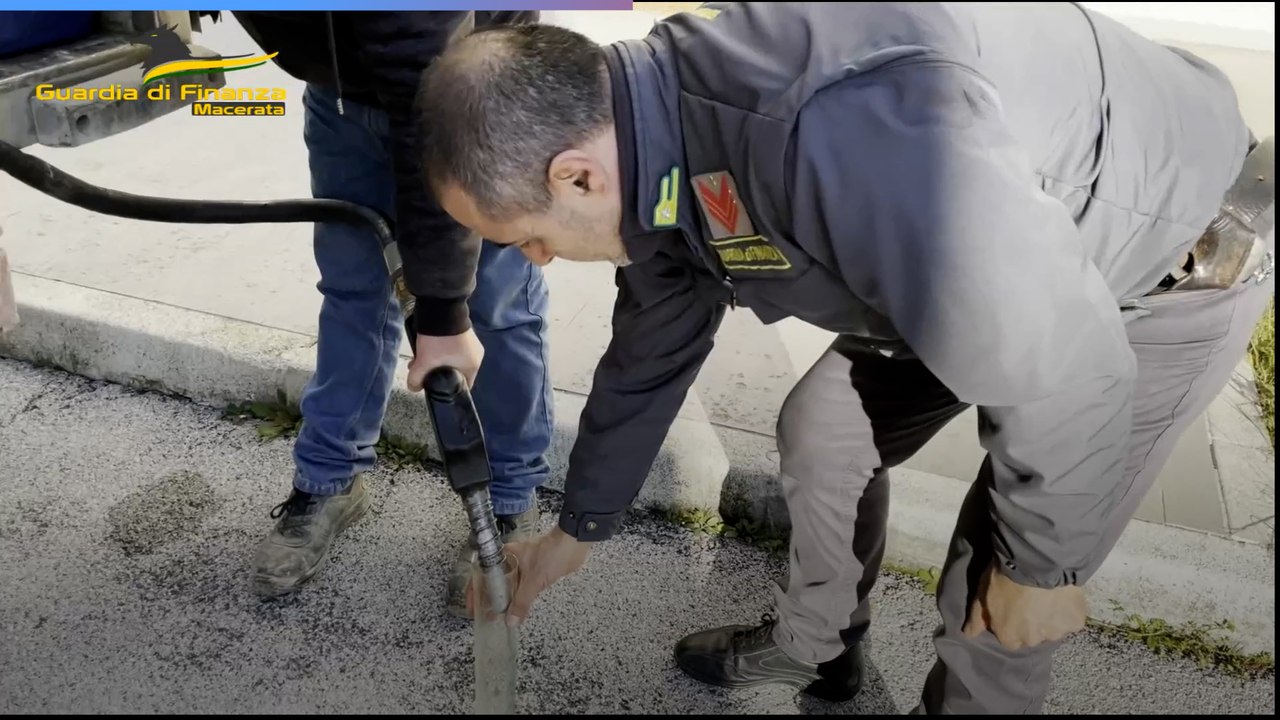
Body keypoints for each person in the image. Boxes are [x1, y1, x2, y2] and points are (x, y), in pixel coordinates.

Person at [415, 2, 1276, 713]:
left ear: (576, 177)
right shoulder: (654, 135)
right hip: (991, 260)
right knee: (826, 430)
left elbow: (1064, 364)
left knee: (994, 586)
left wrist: (1044, 568)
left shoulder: (842, 132)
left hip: (1160, 264)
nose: (533, 260)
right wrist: (579, 530)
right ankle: (818, 650)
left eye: (526, 237)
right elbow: (649, 352)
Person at [223, 10, 555, 612]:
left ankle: (507, 499)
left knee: (495, 307)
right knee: (353, 291)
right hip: (344, 95)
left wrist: (444, 312)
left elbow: (423, 84)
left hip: (480, 93)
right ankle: (331, 478)